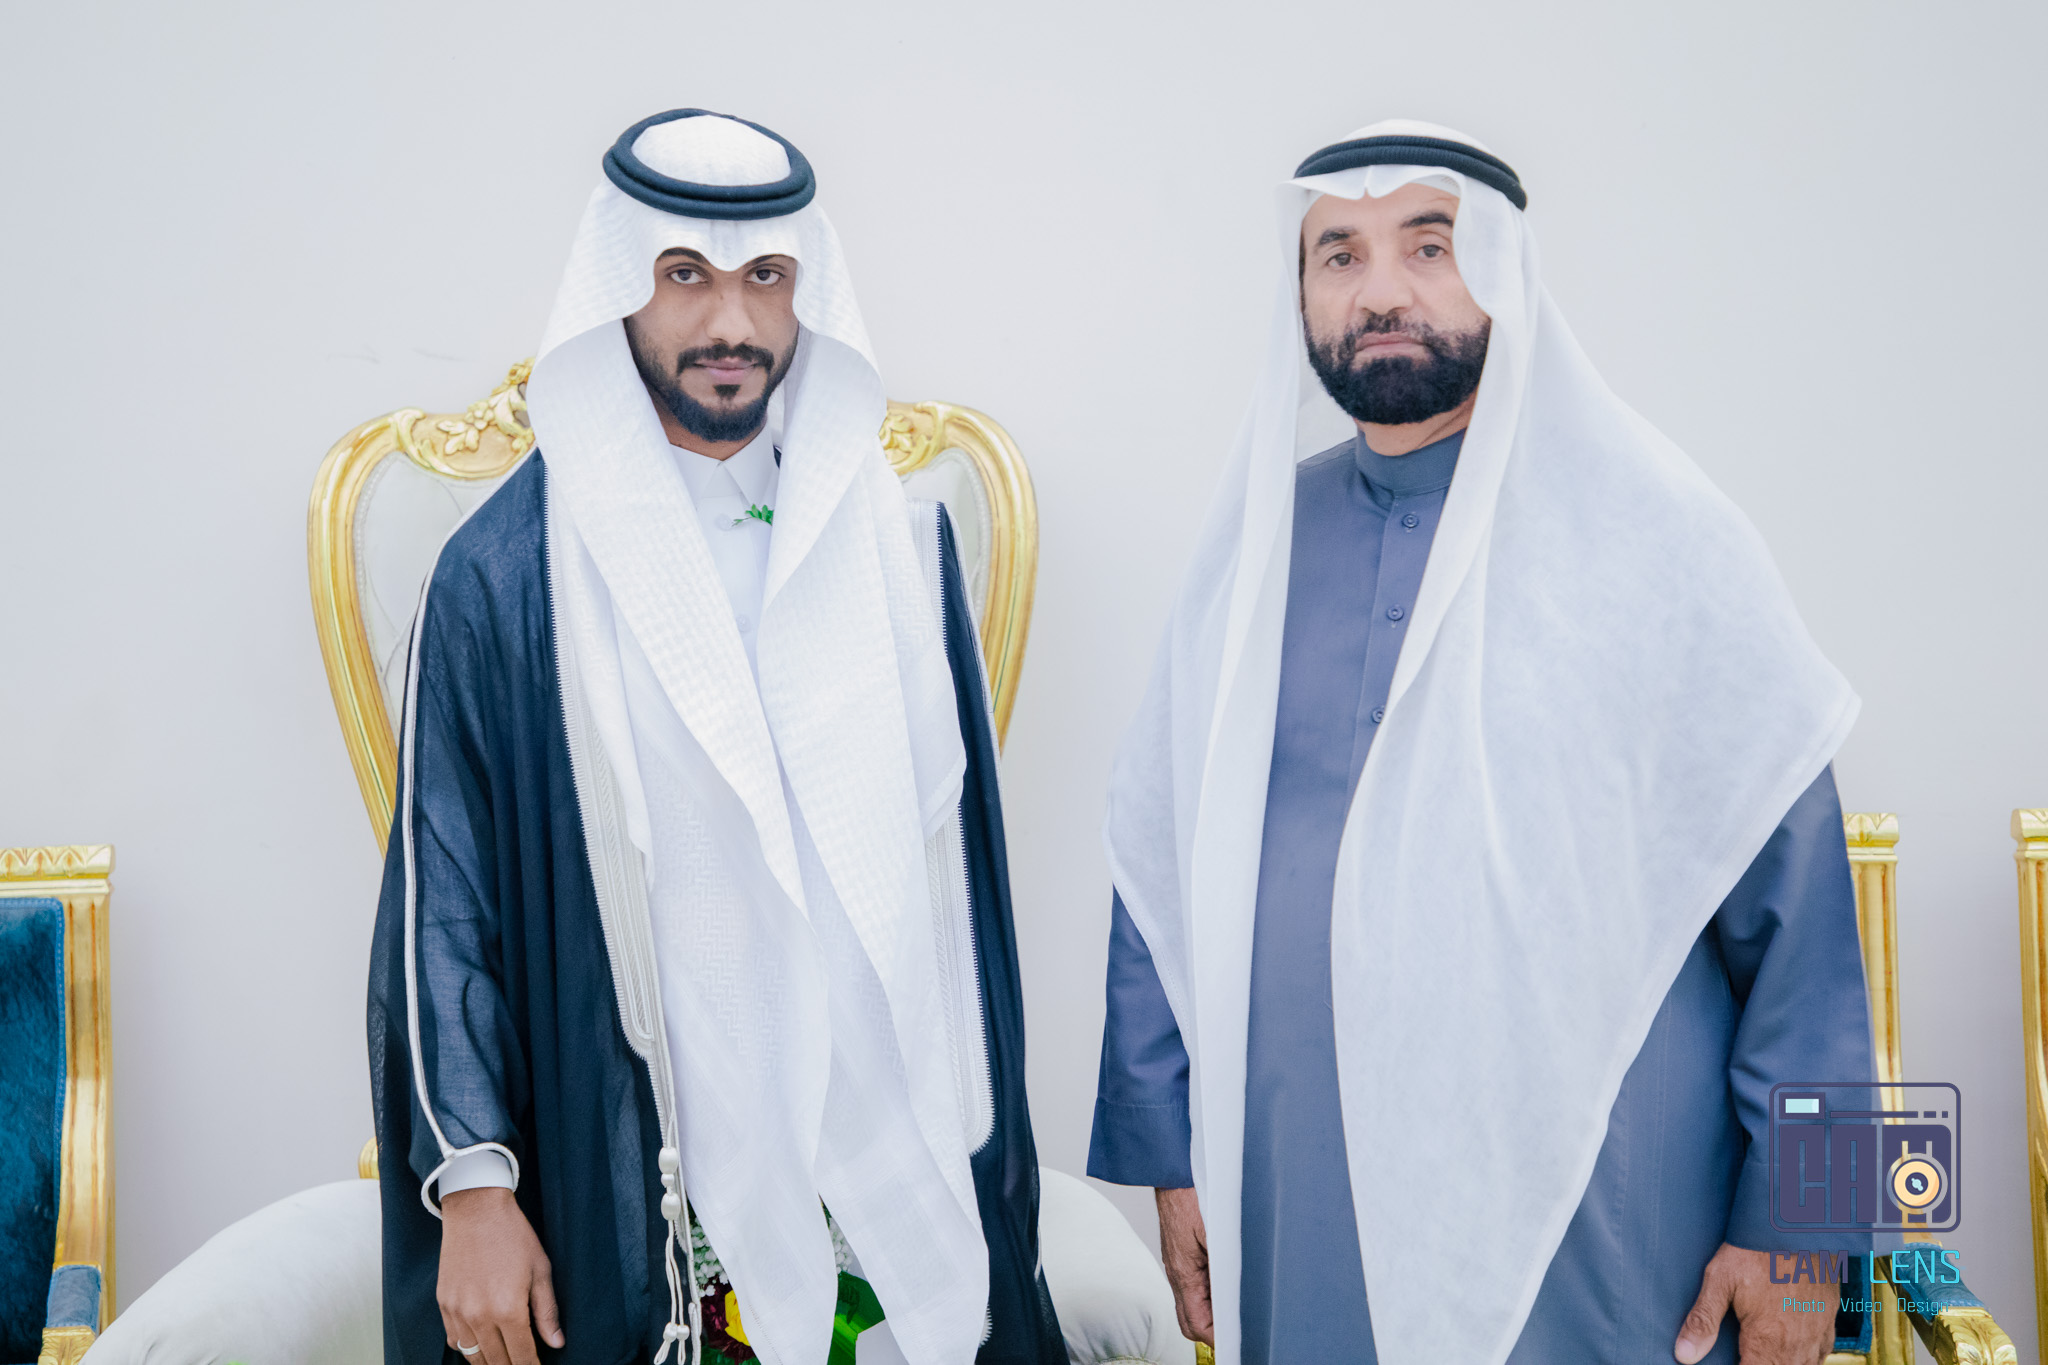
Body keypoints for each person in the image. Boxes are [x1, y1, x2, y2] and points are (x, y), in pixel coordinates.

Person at [1088, 120, 1874, 1365]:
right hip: (1301, 1200)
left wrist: (1809, 1230)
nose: (1379, 292)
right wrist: (1169, 1158)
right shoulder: (1253, 552)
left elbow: (1807, 935)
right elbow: (1154, 869)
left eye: (1429, 246)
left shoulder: (1658, 536)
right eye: (1338, 255)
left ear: (1506, 272)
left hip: (1603, 1229)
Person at [368, 108, 1065, 1365]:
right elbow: (441, 907)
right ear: (616, 289)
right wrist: (471, 1185)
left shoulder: (900, 551)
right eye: (683, 275)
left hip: (890, 1163)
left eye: (766, 277)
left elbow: (961, 914)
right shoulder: (504, 582)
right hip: (648, 1179)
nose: (730, 322)